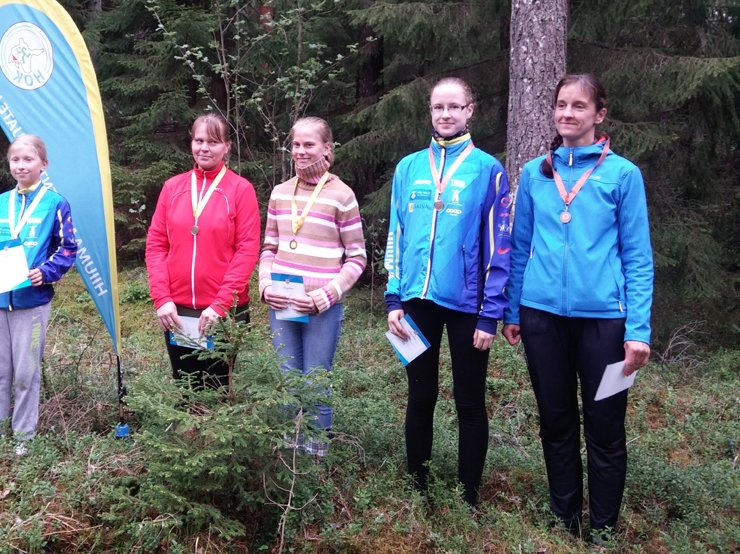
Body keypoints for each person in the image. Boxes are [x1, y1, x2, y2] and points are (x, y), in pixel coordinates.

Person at [502, 74, 653, 541]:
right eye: (561, 105)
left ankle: (603, 531)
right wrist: (513, 312)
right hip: (541, 319)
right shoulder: (535, 173)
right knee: (556, 422)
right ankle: (564, 524)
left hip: (606, 324)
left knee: (605, 426)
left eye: (579, 106)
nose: (567, 113)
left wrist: (638, 330)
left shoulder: (623, 175)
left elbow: (638, 257)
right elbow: (519, 246)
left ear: (599, 115)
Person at [384, 77, 511, 506]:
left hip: (467, 306)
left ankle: (467, 499)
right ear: (430, 111)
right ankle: (417, 491)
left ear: (470, 110)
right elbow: (396, 235)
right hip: (415, 302)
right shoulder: (408, 168)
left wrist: (490, 314)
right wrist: (393, 298)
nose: (445, 114)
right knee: (420, 396)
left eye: (454, 106)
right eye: (439, 107)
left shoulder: (488, 170)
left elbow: (499, 247)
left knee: (469, 402)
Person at [260, 117, 367, 457]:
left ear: (326, 148)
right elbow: (269, 248)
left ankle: (315, 460)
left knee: (315, 382)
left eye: (309, 144)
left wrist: (325, 295)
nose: (301, 151)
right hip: (283, 302)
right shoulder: (280, 193)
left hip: (322, 308)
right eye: (296, 144)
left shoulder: (342, 195)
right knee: (288, 381)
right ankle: (290, 462)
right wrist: (265, 287)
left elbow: (357, 257)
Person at [0, 135, 78, 454]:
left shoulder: (55, 203)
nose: (21, 165)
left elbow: (68, 248)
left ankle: (23, 437)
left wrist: (45, 272)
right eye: (15, 159)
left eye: (28, 159)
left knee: (26, 371)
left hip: (31, 301)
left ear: (43, 164)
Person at [145, 114, 261, 384]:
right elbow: (156, 244)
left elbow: (246, 251)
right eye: (199, 141)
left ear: (227, 146)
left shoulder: (240, 189)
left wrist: (220, 305)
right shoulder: (172, 187)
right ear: (191, 143)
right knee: (186, 387)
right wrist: (162, 298)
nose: (204, 148)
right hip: (177, 310)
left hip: (223, 311)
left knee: (217, 388)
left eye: (213, 142)